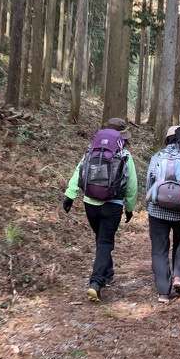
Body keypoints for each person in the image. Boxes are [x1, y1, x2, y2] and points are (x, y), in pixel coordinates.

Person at [62, 117, 138, 302]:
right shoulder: (125, 155)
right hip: (113, 205)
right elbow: (132, 186)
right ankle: (96, 282)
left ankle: (108, 273)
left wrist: (70, 195)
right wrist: (129, 208)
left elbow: (78, 172)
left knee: (101, 240)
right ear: (122, 136)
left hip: (90, 204)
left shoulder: (91, 151)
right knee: (104, 243)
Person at [146, 125, 180, 304]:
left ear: (167, 139)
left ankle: (163, 293)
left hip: (158, 210)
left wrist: (148, 203)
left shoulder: (157, 157)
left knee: (159, 250)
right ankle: (179, 277)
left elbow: (150, 181)